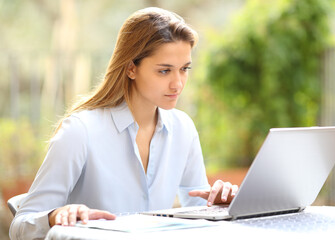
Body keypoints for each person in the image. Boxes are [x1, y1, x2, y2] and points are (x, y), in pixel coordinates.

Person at [9, 7, 238, 239]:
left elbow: (197, 212)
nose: (177, 84)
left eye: (184, 69)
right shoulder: (80, 131)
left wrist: (219, 205)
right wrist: (55, 215)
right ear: (131, 68)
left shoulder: (183, 128)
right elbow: (20, 226)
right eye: (164, 71)